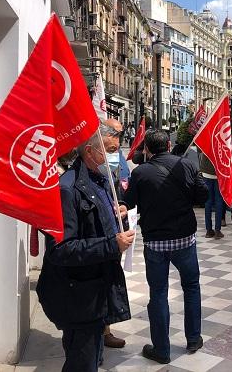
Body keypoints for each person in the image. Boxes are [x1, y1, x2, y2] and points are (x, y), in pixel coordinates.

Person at [36, 123, 135, 372]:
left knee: (92, 357)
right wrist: (112, 244)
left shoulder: (99, 180)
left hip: (96, 289)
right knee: (82, 362)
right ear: (90, 152)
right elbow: (62, 249)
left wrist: (118, 215)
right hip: (79, 295)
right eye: (111, 150)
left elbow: (96, 222)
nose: (116, 156)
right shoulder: (67, 189)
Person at [124, 130, 209, 364]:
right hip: (184, 239)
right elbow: (203, 196)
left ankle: (162, 349)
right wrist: (195, 180)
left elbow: (128, 202)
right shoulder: (187, 166)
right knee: (191, 287)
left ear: (147, 150)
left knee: (159, 293)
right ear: (169, 145)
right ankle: (193, 338)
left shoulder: (140, 172)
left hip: (155, 242)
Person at [102, 118, 132, 349]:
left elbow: (119, 188)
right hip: (100, 242)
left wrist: (121, 205)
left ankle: (105, 329)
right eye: (112, 148)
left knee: (109, 282)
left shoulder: (110, 165)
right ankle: (99, 333)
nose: (116, 152)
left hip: (113, 235)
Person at [200, 151, 224, 238]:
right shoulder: (219, 138)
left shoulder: (205, 138)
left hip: (206, 172)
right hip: (218, 172)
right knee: (219, 201)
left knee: (208, 202)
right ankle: (218, 230)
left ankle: (208, 230)